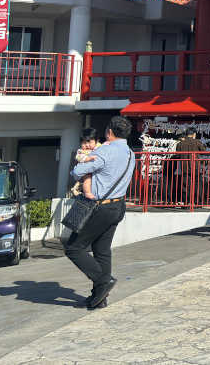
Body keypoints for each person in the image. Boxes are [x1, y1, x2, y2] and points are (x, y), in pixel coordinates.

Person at [66, 115, 136, 310]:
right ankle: (99, 297)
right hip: (118, 206)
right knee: (102, 251)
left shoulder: (105, 151)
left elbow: (77, 172)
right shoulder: (131, 153)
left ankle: (104, 281)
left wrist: (85, 161)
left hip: (100, 206)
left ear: (109, 132)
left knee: (74, 248)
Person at [71, 128, 100, 198]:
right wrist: (89, 158)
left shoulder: (99, 147)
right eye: (84, 143)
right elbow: (79, 158)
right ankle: (87, 192)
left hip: (94, 171)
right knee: (87, 179)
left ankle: (76, 188)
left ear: (96, 141)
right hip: (86, 171)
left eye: (89, 142)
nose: (87, 145)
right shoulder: (81, 151)